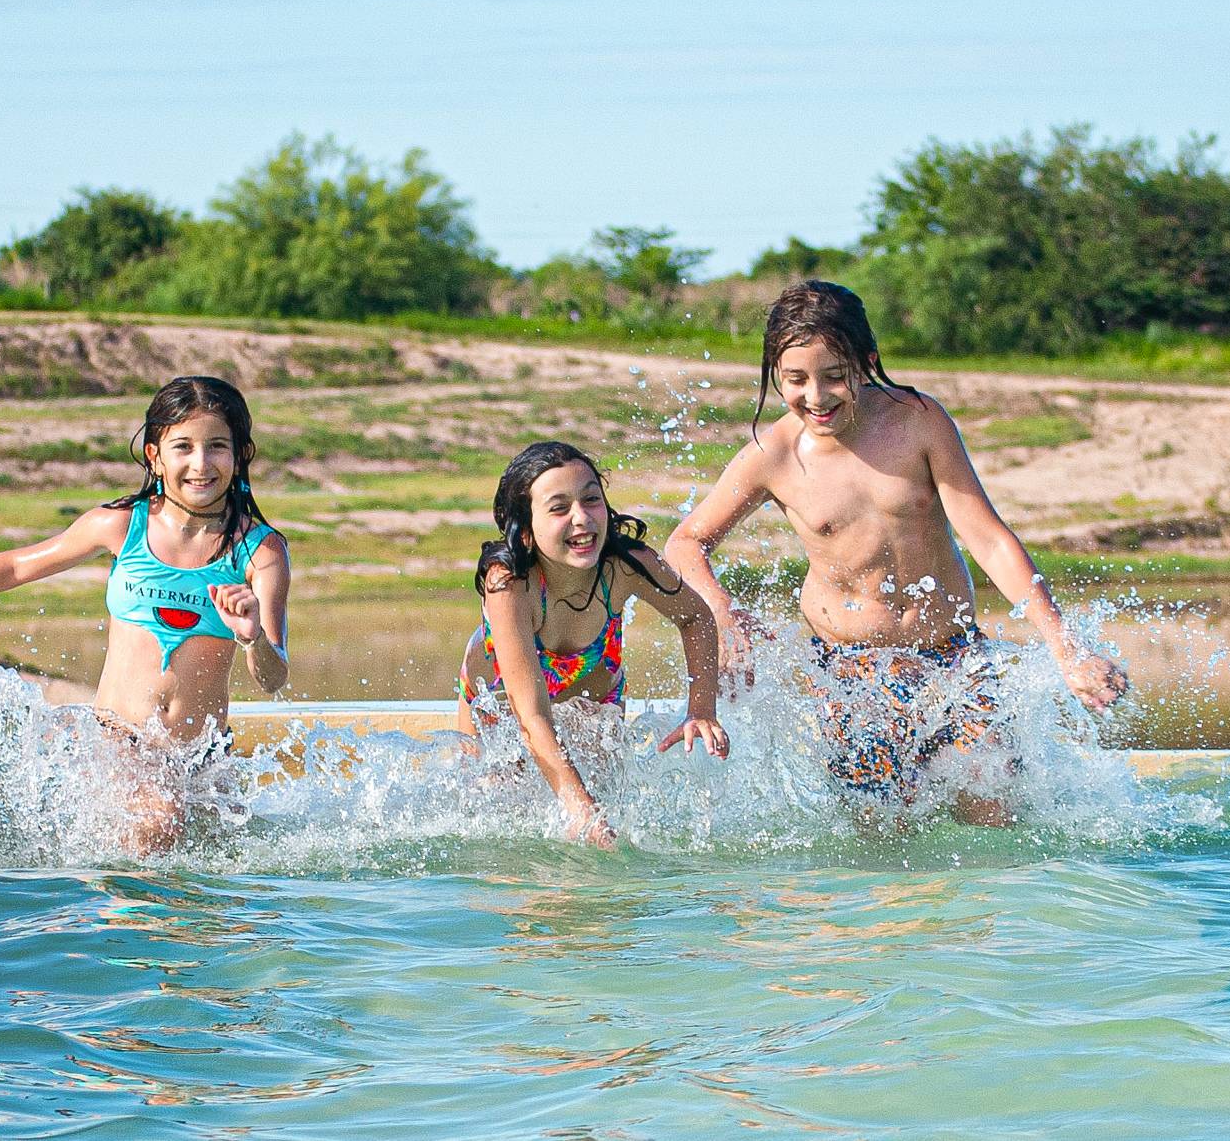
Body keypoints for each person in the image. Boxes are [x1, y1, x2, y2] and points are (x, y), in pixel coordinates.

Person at [665, 281, 1127, 823]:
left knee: (993, 809)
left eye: (834, 376)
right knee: (883, 835)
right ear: (775, 376)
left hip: (953, 658)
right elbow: (685, 542)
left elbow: (988, 538)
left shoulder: (919, 422)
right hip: (849, 674)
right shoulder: (774, 455)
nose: (817, 397)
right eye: (796, 380)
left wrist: (1065, 646)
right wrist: (723, 612)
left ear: (867, 362)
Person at [0, 375, 290, 750]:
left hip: (204, 757)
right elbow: (16, 567)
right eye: (183, 447)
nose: (201, 463)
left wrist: (251, 639)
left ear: (240, 456)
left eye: (217, 446)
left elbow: (272, 679)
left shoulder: (261, 552)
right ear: (155, 457)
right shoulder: (120, 526)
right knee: (159, 817)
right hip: (118, 741)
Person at [459, 441, 729, 846]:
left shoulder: (627, 566)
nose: (582, 519)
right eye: (559, 508)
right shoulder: (510, 585)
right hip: (500, 705)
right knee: (492, 814)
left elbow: (696, 617)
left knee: (610, 811)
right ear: (525, 530)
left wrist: (702, 709)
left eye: (591, 499)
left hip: (595, 699)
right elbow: (531, 715)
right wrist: (580, 808)